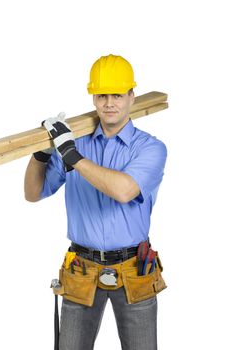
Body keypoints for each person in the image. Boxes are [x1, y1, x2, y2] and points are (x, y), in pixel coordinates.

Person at [24, 54, 167, 350]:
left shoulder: (150, 148)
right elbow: (33, 193)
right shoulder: (75, 143)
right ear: (93, 98)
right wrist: (42, 152)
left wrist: (73, 157)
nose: (109, 103)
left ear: (131, 96)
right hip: (81, 270)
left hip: (133, 270)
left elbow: (124, 190)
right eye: (102, 95)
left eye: (117, 94)